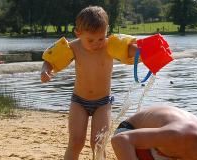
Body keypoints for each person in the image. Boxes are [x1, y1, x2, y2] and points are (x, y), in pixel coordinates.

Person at [40, 6, 137, 159]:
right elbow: (51, 59)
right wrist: (45, 70)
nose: (96, 43)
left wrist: (140, 52)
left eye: (100, 38)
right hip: (79, 102)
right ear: (78, 33)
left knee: (98, 144)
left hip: (103, 103)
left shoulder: (110, 46)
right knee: (76, 142)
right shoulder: (74, 47)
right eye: (90, 40)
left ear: (107, 31)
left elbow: (129, 49)